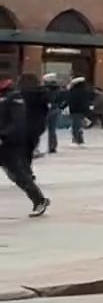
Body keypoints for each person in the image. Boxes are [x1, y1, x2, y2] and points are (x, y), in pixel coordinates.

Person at [0, 78, 50, 216]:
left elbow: (18, 122)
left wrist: (4, 135)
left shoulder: (15, 98)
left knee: (18, 175)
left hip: (8, 144)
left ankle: (39, 200)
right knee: (17, 174)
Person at [65, 77, 91, 146]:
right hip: (82, 110)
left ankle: (76, 140)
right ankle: (80, 140)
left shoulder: (73, 91)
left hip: (75, 110)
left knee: (75, 126)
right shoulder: (85, 91)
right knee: (78, 125)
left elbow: (69, 100)